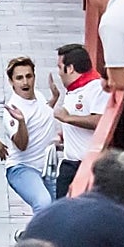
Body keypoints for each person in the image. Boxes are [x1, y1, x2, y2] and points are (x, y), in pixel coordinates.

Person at [49, 42, 107, 198]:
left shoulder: (96, 88)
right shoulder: (73, 90)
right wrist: (63, 135)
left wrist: (68, 118)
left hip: (88, 167)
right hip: (69, 163)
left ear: (70, 68)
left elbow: (100, 120)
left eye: (60, 67)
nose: (59, 73)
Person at [1, 56, 58, 214]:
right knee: (43, 203)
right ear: (11, 82)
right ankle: (32, 238)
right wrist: (21, 122)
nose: (25, 82)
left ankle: (26, 235)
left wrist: (54, 99)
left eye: (28, 76)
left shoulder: (38, 96)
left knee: (57, 211)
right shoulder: (12, 110)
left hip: (46, 167)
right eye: (19, 78)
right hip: (22, 169)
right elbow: (21, 145)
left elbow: (41, 114)